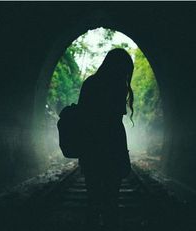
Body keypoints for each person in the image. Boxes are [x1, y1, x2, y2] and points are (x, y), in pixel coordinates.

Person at [77, 48, 134, 230]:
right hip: (112, 151)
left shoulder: (90, 83)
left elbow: (82, 118)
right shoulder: (118, 86)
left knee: (92, 200)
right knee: (111, 201)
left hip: (91, 150)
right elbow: (116, 125)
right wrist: (124, 156)